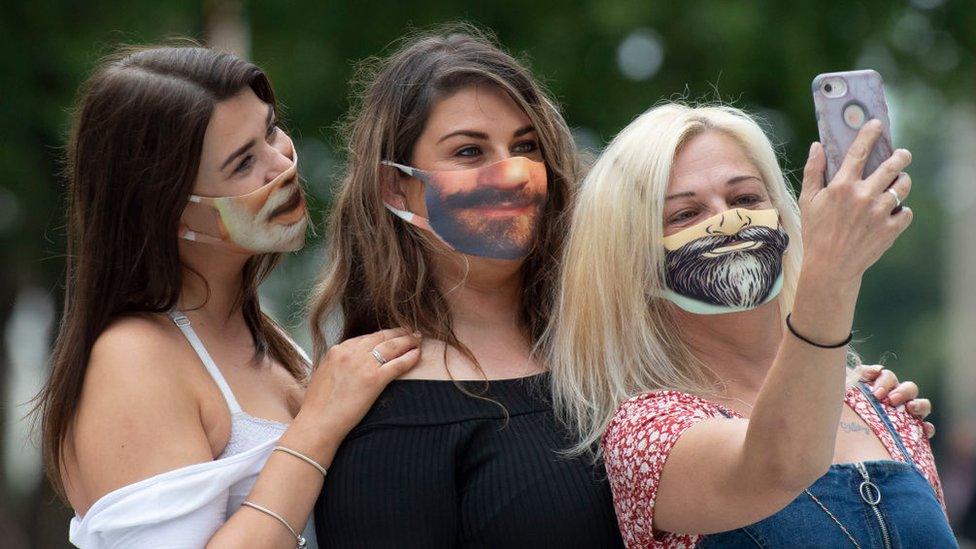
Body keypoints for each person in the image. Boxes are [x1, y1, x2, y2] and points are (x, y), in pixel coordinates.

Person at [308, 26, 933, 547]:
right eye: (470, 151)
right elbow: (772, 464)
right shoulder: (640, 422)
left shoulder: (600, 370)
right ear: (396, 188)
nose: (511, 171)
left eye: (526, 146)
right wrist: (829, 283)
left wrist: (843, 388)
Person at [36, 45, 420, 548]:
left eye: (270, 131)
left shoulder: (255, 330)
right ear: (168, 209)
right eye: (243, 162)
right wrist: (320, 424)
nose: (280, 163)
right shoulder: (133, 358)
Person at [545, 103, 956, 547]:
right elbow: (778, 465)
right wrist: (832, 273)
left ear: (781, 216)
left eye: (745, 199)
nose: (729, 222)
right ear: (634, 262)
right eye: (685, 214)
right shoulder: (644, 430)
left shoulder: (883, 405)